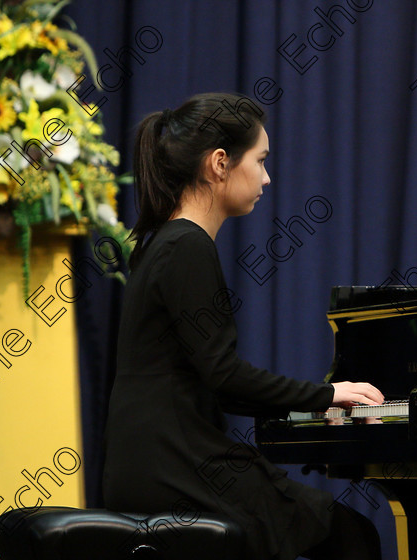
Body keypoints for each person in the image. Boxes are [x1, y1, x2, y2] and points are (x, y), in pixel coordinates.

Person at [102, 92, 384, 560]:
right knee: (351, 536)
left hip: (150, 462)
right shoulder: (186, 246)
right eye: (261, 160)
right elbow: (225, 375)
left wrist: (319, 405)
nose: (267, 177)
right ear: (219, 163)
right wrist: (331, 395)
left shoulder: (164, 243)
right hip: (177, 467)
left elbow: (219, 384)